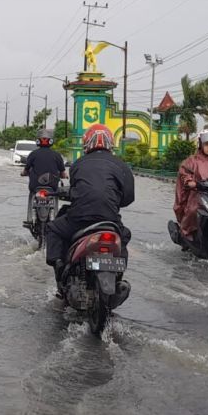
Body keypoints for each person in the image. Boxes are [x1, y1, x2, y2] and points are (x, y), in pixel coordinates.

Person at [44, 124, 134, 295]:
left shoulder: (78, 164)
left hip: (79, 219)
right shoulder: (122, 166)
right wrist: (113, 201)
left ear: (87, 144)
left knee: (52, 229)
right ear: (110, 143)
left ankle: (60, 270)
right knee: (125, 236)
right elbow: (128, 197)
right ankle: (118, 277)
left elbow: (77, 190)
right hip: (110, 220)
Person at [21, 130, 66, 226]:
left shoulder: (33, 154)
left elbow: (26, 170)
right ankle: (56, 217)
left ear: (38, 141)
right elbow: (63, 172)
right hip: (52, 187)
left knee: (31, 195)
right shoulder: (57, 155)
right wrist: (64, 176)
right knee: (56, 196)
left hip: (35, 186)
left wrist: (23, 173)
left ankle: (29, 218)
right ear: (51, 141)